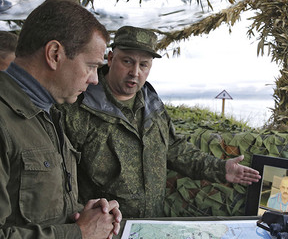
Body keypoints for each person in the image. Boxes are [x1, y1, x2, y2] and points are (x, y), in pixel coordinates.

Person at [59, 26, 261, 218]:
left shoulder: (151, 103)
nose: (135, 72)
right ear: (110, 59)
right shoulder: (78, 107)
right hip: (104, 231)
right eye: (127, 61)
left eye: (144, 65)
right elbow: (60, 180)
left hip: (151, 224)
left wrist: (220, 168)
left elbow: (174, 147)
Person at [0, 0, 122, 239]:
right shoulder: (5, 121)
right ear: (55, 54)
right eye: (91, 66)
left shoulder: (46, 115)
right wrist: (79, 234)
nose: (95, 80)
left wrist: (84, 216)